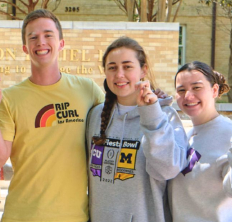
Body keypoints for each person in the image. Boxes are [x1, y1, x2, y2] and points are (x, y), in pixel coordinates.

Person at [0, 9, 104, 221]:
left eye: (48, 35)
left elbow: (119, 117)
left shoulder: (88, 90)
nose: (41, 42)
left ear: (61, 43)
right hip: (23, 215)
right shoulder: (8, 98)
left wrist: (150, 102)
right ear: (25, 48)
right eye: (33, 37)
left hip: (74, 216)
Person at [86, 36, 188, 221]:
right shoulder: (96, 115)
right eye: (112, 67)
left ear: (143, 70)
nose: (119, 74)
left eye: (127, 66)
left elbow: (168, 170)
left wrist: (151, 115)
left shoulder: (165, 115)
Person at [169, 61, 232, 221]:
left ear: (214, 90)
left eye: (197, 88)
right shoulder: (185, 134)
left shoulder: (228, 134)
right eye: (181, 90)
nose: (188, 96)